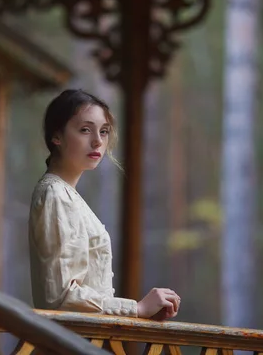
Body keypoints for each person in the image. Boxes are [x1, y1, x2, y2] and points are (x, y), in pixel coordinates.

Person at [28, 89, 180, 320]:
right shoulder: (55, 195)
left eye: (104, 131)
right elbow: (60, 297)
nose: (98, 141)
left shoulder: (67, 195)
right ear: (56, 136)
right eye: (85, 130)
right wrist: (136, 309)